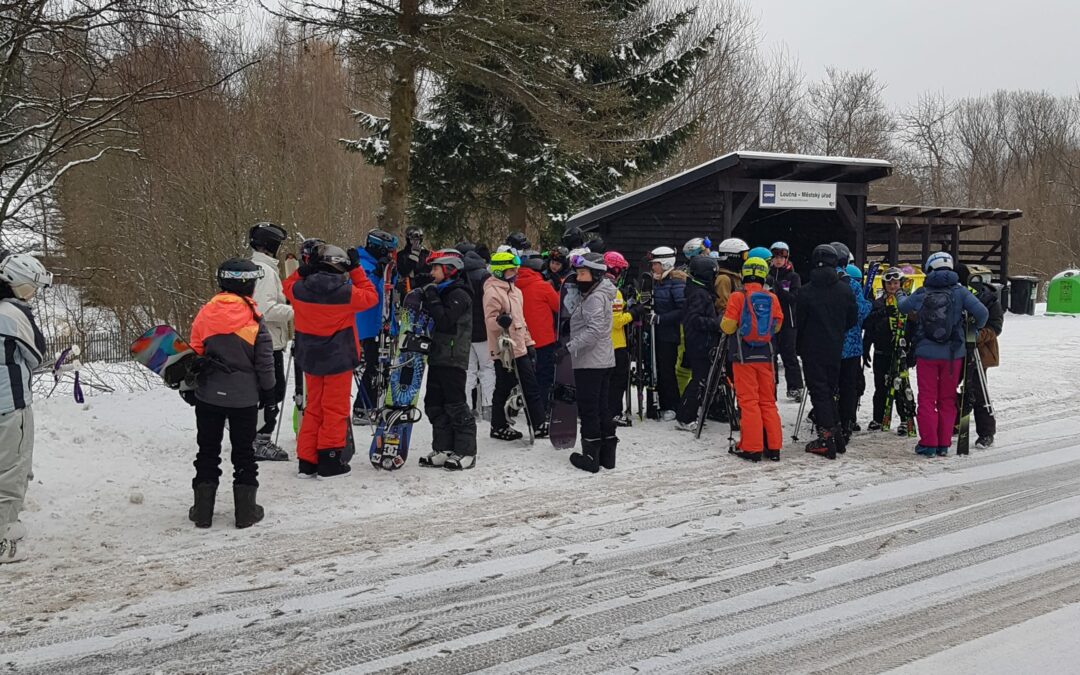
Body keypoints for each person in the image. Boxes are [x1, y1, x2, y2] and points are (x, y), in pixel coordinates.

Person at [185, 258, 275, 529]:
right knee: (244, 453)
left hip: (208, 395)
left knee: (207, 450)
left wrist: (190, 388)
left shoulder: (204, 314)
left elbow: (193, 352)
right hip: (244, 399)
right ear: (249, 285)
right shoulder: (254, 320)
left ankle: (203, 511)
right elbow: (265, 364)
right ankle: (246, 512)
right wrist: (269, 396)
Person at [284, 244, 379, 478]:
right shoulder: (346, 293)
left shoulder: (299, 290)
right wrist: (357, 270)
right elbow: (371, 297)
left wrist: (304, 270)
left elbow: (286, 286)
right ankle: (330, 459)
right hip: (338, 358)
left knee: (313, 408)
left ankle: (307, 461)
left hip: (311, 358)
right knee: (335, 409)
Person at [898, 252, 988, 457]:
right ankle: (944, 443)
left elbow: (903, 307)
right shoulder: (960, 292)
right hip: (952, 355)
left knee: (927, 399)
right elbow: (982, 313)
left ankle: (928, 444)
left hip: (926, 354)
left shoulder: (923, 291)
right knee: (947, 399)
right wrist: (975, 330)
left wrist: (901, 294)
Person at [0, 253, 50, 562]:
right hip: (9, 405)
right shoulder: (12, 314)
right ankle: (3, 537)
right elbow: (36, 355)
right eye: (30, 289)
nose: (32, 296)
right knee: (11, 469)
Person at [415, 250, 477, 470]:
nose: (432, 273)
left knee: (455, 404)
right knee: (434, 403)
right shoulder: (442, 291)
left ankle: (466, 450)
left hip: (453, 357)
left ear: (450, 270)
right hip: (438, 355)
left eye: (436, 268)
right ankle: (444, 447)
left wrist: (431, 296)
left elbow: (445, 320)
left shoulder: (460, 293)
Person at [720, 257, 784, 461]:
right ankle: (773, 447)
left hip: (743, 356)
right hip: (766, 355)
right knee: (767, 401)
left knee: (748, 402)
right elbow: (777, 325)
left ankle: (752, 448)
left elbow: (728, 326)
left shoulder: (738, 296)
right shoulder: (771, 298)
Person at [797, 245, 857, 460]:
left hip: (812, 346)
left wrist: (799, 345)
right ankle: (836, 435)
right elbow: (852, 318)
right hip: (835, 346)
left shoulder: (805, 291)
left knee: (819, 391)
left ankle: (826, 437)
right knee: (829, 390)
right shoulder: (845, 290)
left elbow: (799, 322)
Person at [559, 252, 617, 472]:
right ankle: (607, 455)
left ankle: (591, 457)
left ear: (595, 274)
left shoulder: (594, 298)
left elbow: (594, 331)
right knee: (602, 407)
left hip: (590, 362)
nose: (578, 277)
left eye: (582, 273)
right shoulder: (599, 293)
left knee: (589, 409)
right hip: (603, 359)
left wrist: (568, 347)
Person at [483, 251, 548, 440]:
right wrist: (500, 321)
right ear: (500, 271)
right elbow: (490, 322)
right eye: (511, 270)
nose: (515, 274)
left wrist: (529, 343)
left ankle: (538, 422)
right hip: (504, 349)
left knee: (530, 384)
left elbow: (522, 320)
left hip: (519, 346)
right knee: (505, 385)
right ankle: (498, 425)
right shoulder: (492, 292)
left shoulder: (516, 291)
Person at [248, 222, 292, 461]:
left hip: (261, 339)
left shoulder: (255, 267)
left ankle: (253, 435)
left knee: (267, 390)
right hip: (267, 341)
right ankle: (260, 440)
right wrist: (293, 310)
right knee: (272, 391)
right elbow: (264, 309)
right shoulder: (265, 271)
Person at [352, 229, 399, 424]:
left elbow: (389, 291)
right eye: (388, 251)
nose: (390, 256)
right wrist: (379, 274)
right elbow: (370, 294)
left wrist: (390, 273)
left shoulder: (378, 264)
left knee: (384, 365)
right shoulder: (362, 264)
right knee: (374, 365)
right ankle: (362, 407)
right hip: (368, 323)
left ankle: (376, 402)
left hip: (384, 320)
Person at [957, 264, 1003, 448]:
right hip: (954, 350)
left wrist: (977, 335)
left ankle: (986, 432)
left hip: (978, 351)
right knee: (947, 388)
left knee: (978, 390)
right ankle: (956, 421)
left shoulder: (988, 299)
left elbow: (995, 327)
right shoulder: (954, 296)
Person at [863, 267, 914, 432]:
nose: (893, 286)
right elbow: (868, 326)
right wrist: (866, 348)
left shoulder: (907, 303)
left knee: (901, 386)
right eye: (889, 283)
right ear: (884, 285)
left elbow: (915, 328)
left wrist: (913, 351)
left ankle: (906, 420)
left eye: (896, 283)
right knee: (881, 387)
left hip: (901, 351)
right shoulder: (878, 303)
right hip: (881, 351)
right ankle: (878, 418)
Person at [675, 255, 720, 434]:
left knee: (701, 379)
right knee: (699, 380)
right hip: (700, 343)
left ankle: (688, 413)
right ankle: (685, 416)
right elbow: (693, 320)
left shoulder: (698, 291)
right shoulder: (699, 294)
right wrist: (715, 323)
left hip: (699, 341)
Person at [833, 243, 871, 440]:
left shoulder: (823, 282)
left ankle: (829, 419)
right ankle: (847, 421)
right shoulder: (852, 285)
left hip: (829, 344)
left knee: (830, 384)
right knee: (848, 385)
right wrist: (869, 304)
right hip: (852, 346)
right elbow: (861, 313)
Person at [516, 250, 561, 413]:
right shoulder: (543, 286)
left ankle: (523, 404)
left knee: (525, 375)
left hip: (521, 338)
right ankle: (542, 408)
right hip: (543, 339)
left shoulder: (514, 286)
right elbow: (559, 306)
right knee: (544, 375)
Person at [648, 246, 686, 420]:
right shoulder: (657, 281)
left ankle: (673, 404)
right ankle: (662, 403)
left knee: (667, 369)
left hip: (670, 333)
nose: (653, 268)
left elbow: (682, 309)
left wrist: (661, 318)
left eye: (655, 264)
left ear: (665, 263)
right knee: (659, 369)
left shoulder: (676, 282)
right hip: (657, 333)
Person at [766, 241, 803, 401]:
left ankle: (795, 387)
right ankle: (771, 385)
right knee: (771, 354)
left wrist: (778, 288)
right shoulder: (767, 275)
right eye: (776, 257)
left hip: (788, 321)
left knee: (789, 355)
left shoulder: (793, 276)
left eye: (782, 257)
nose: (779, 260)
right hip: (770, 321)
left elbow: (794, 298)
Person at [462, 245, 496, 420]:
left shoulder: (462, 277)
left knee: (469, 371)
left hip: (466, 332)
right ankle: (488, 406)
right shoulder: (485, 277)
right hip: (483, 331)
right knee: (487, 369)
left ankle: (467, 407)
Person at [605, 251, 636, 426]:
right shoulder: (614, 292)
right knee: (618, 381)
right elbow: (617, 322)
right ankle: (614, 412)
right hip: (616, 342)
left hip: (602, 343)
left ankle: (606, 410)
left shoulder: (597, 286)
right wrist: (632, 313)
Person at [397, 225, 431, 294]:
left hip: (424, 289)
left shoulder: (427, 254)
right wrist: (413, 257)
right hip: (407, 290)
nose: (415, 242)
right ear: (408, 239)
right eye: (412, 239)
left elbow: (430, 272)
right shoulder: (401, 255)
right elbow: (403, 272)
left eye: (418, 239)